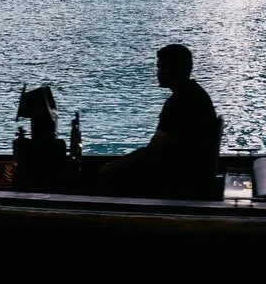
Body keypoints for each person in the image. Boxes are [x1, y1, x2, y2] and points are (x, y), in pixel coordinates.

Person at [94, 43, 224, 200]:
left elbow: (153, 150)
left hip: (181, 180)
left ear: (168, 70)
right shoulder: (197, 95)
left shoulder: (179, 103)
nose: (157, 73)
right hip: (193, 173)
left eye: (159, 67)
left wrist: (112, 166)